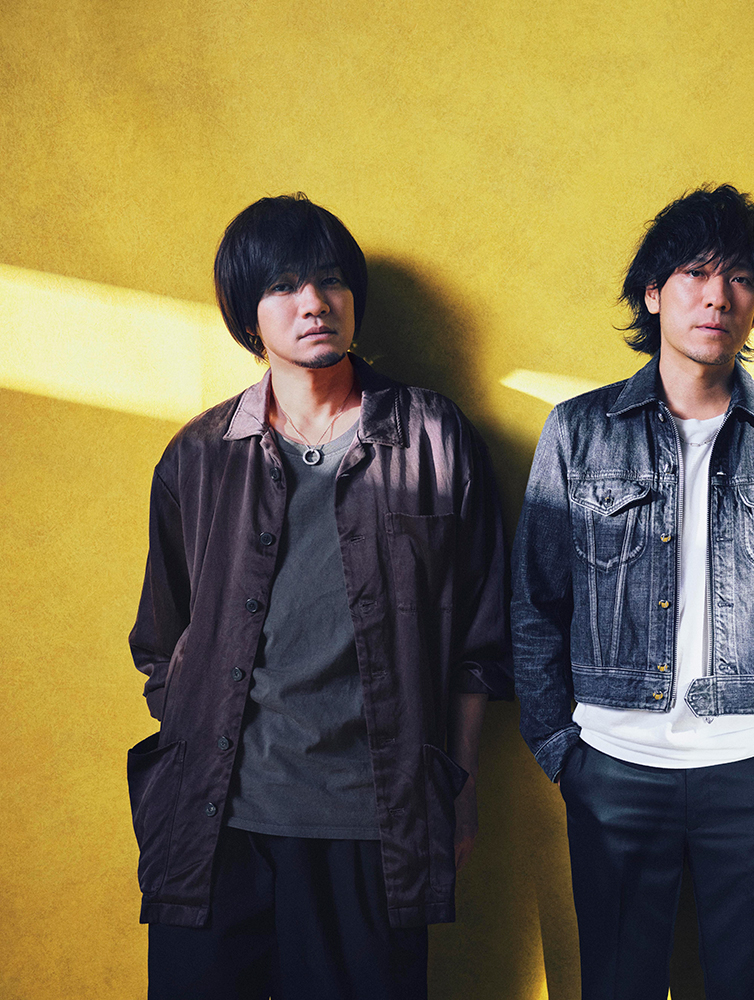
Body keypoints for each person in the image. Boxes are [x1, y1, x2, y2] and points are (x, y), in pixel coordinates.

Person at [127, 193, 512, 999]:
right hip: (214, 828)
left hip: (374, 826)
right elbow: (163, 640)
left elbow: (480, 642)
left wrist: (461, 789)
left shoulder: (434, 439)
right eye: (284, 285)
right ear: (248, 314)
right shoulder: (199, 457)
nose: (314, 302)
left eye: (330, 280)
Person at [512, 184, 754, 1000]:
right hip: (613, 763)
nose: (717, 296)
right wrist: (561, 747)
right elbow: (534, 604)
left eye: (739, 277)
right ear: (653, 293)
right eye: (696, 273)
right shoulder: (579, 431)